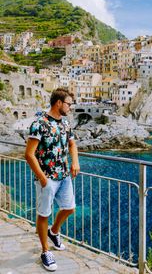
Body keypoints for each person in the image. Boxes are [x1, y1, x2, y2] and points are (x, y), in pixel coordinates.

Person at [25, 88, 80, 271]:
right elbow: (29, 154)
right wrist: (42, 178)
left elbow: (72, 144)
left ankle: (54, 231)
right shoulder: (39, 124)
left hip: (64, 176)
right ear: (59, 103)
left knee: (69, 208)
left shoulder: (65, 124)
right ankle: (45, 251)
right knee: (44, 214)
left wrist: (75, 162)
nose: (70, 107)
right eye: (69, 104)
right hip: (47, 178)